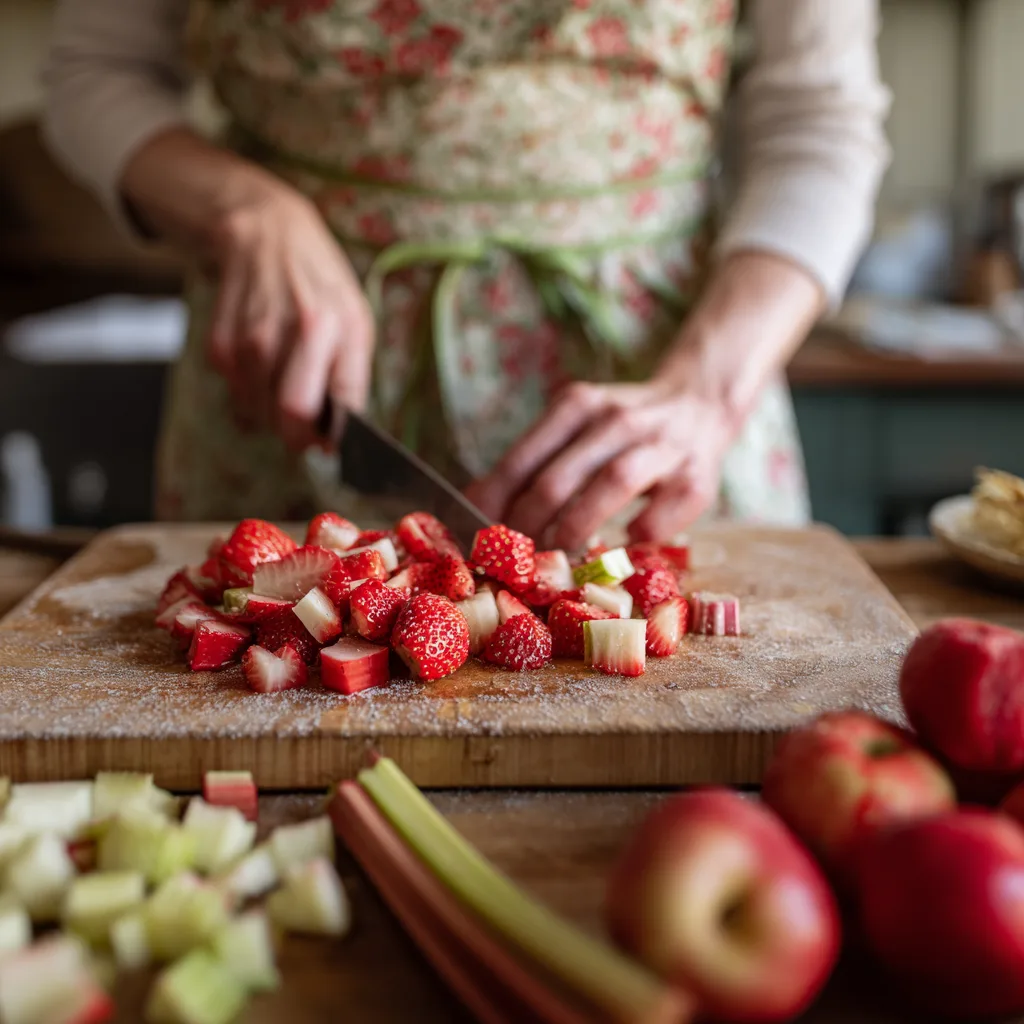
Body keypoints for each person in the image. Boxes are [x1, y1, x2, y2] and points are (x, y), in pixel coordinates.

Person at [43, 0, 889, 550]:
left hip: (658, 407)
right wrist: (243, 209)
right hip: (299, 384)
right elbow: (94, 73)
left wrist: (706, 389)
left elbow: (818, 120)